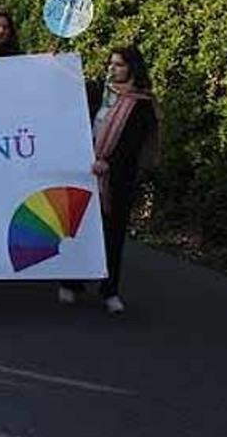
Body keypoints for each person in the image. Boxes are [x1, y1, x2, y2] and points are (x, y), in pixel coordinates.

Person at [59, 47, 160, 315]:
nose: (112, 69)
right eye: (111, 64)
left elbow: (134, 146)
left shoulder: (141, 104)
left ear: (132, 69)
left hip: (116, 179)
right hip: (85, 171)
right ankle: (71, 282)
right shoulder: (97, 93)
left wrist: (108, 165)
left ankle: (109, 290)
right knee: (76, 227)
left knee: (112, 236)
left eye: (119, 65)